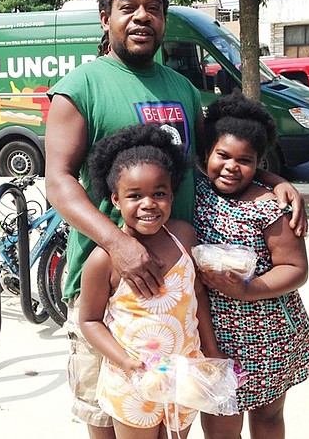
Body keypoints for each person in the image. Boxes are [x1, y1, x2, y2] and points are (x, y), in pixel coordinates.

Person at [45, 0, 306, 439]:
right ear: (106, 18)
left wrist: (270, 178)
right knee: (110, 417)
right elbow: (58, 181)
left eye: (154, 8)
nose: (142, 16)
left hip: (179, 292)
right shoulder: (79, 88)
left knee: (172, 417)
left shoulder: (182, 88)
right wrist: (116, 245)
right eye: (128, 7)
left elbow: (219, 153)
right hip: (113, 290)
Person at [79, 124, 221, 439]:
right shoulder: (103, 261)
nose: (148, 203)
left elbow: (197, 296)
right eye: (134, 195)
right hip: (133, 380)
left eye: (159, 193)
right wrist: (125, 362)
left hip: (185, 374)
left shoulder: (184, 237)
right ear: (115, 199)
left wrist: (210, 353)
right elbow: (89, 321)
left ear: (172, 194)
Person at [193, 91, 309, 439]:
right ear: (207, 153)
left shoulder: (269, 207)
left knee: (267, 417)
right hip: (212, 332)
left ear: (258, 163)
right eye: (223, 155)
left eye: (245, 160)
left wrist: (248, 289)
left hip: (267, 334)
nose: (231, 167)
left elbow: (296, 268)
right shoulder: (197, 189)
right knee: (220, 421)